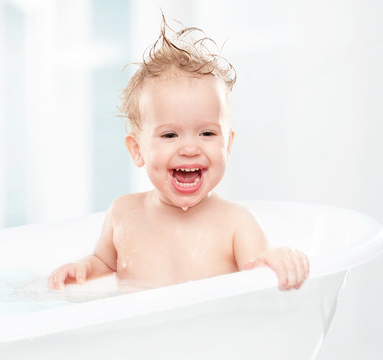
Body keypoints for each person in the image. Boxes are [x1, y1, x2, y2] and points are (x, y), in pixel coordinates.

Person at [48, 18, 309, 291]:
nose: (189, 148)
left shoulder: (236, 224)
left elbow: (260, 275)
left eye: (207, 133)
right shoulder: (123, 214)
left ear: (227, 145)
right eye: (170, 135)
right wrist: (84, 269)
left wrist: (277, 260)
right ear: (137, 150)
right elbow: (103, 263)